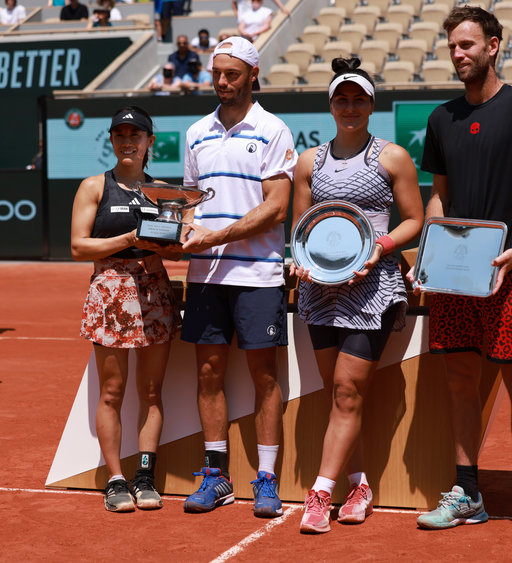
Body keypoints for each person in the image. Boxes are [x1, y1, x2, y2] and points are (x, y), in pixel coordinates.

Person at [406, 6, 512, 544]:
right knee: (459, 379)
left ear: (494, 46)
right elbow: (439, 196)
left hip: (509, 273)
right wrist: (428, 253)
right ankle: (467, 491)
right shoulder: (440, 118)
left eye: (469, 45)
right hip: (453, 277)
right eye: (453, 46)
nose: (459, 54)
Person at [291, 57, 424, 534]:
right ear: (331, 105)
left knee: (347, 392)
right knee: (340, 395)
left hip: (374, 287)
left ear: (371, 105)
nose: (350, 107)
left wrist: (379, 249)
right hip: (321, 292)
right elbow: (301, 229)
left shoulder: (392, 157)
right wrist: (299, 261)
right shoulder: (309, 161)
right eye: (342, 99)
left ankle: (319, 494)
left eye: (358, 99)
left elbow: (415, 219)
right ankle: (360, 484)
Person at [178, 37, 297, 518]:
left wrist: (215, 236)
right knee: (208, 372)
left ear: (252, 74)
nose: (223, 82)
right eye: (217, 74)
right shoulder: (195, 133)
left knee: (263, 377)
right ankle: (216, 474)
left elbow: (276, 208)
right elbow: (189, 202)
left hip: (257, 274)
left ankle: (266, 478)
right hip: (205, 276)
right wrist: (183, 232)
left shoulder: (273, 129)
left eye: (232, 74)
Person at [70, 106, 182, 513]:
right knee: (112, 391)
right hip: (111, 290)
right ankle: (116, 479)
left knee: (152, 391)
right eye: (121, 134)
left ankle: (145, 475)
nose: (128, 141)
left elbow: (176, 242)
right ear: (112, 140)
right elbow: (79, 247)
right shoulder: (93, 187)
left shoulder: (164, 191)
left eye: (136, 135)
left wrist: (165, 244)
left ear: (150, 141)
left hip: (154, 289)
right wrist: (131, 236)